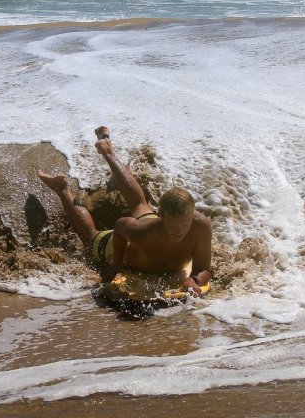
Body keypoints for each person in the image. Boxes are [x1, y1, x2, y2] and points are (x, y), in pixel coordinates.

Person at [38, 126, 212, 296]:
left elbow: (203, 269)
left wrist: (194, 279)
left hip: (150, 221)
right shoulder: (142, 233)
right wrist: (116, 266)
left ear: (192, 215)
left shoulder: (201, 227)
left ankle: (107, 151)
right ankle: (61, 188)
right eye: (174, 225)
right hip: (124, 245)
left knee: (140, 204)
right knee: (89, 237)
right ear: (162, 216)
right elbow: (121, 225)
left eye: (185, 223)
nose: (180, 230)